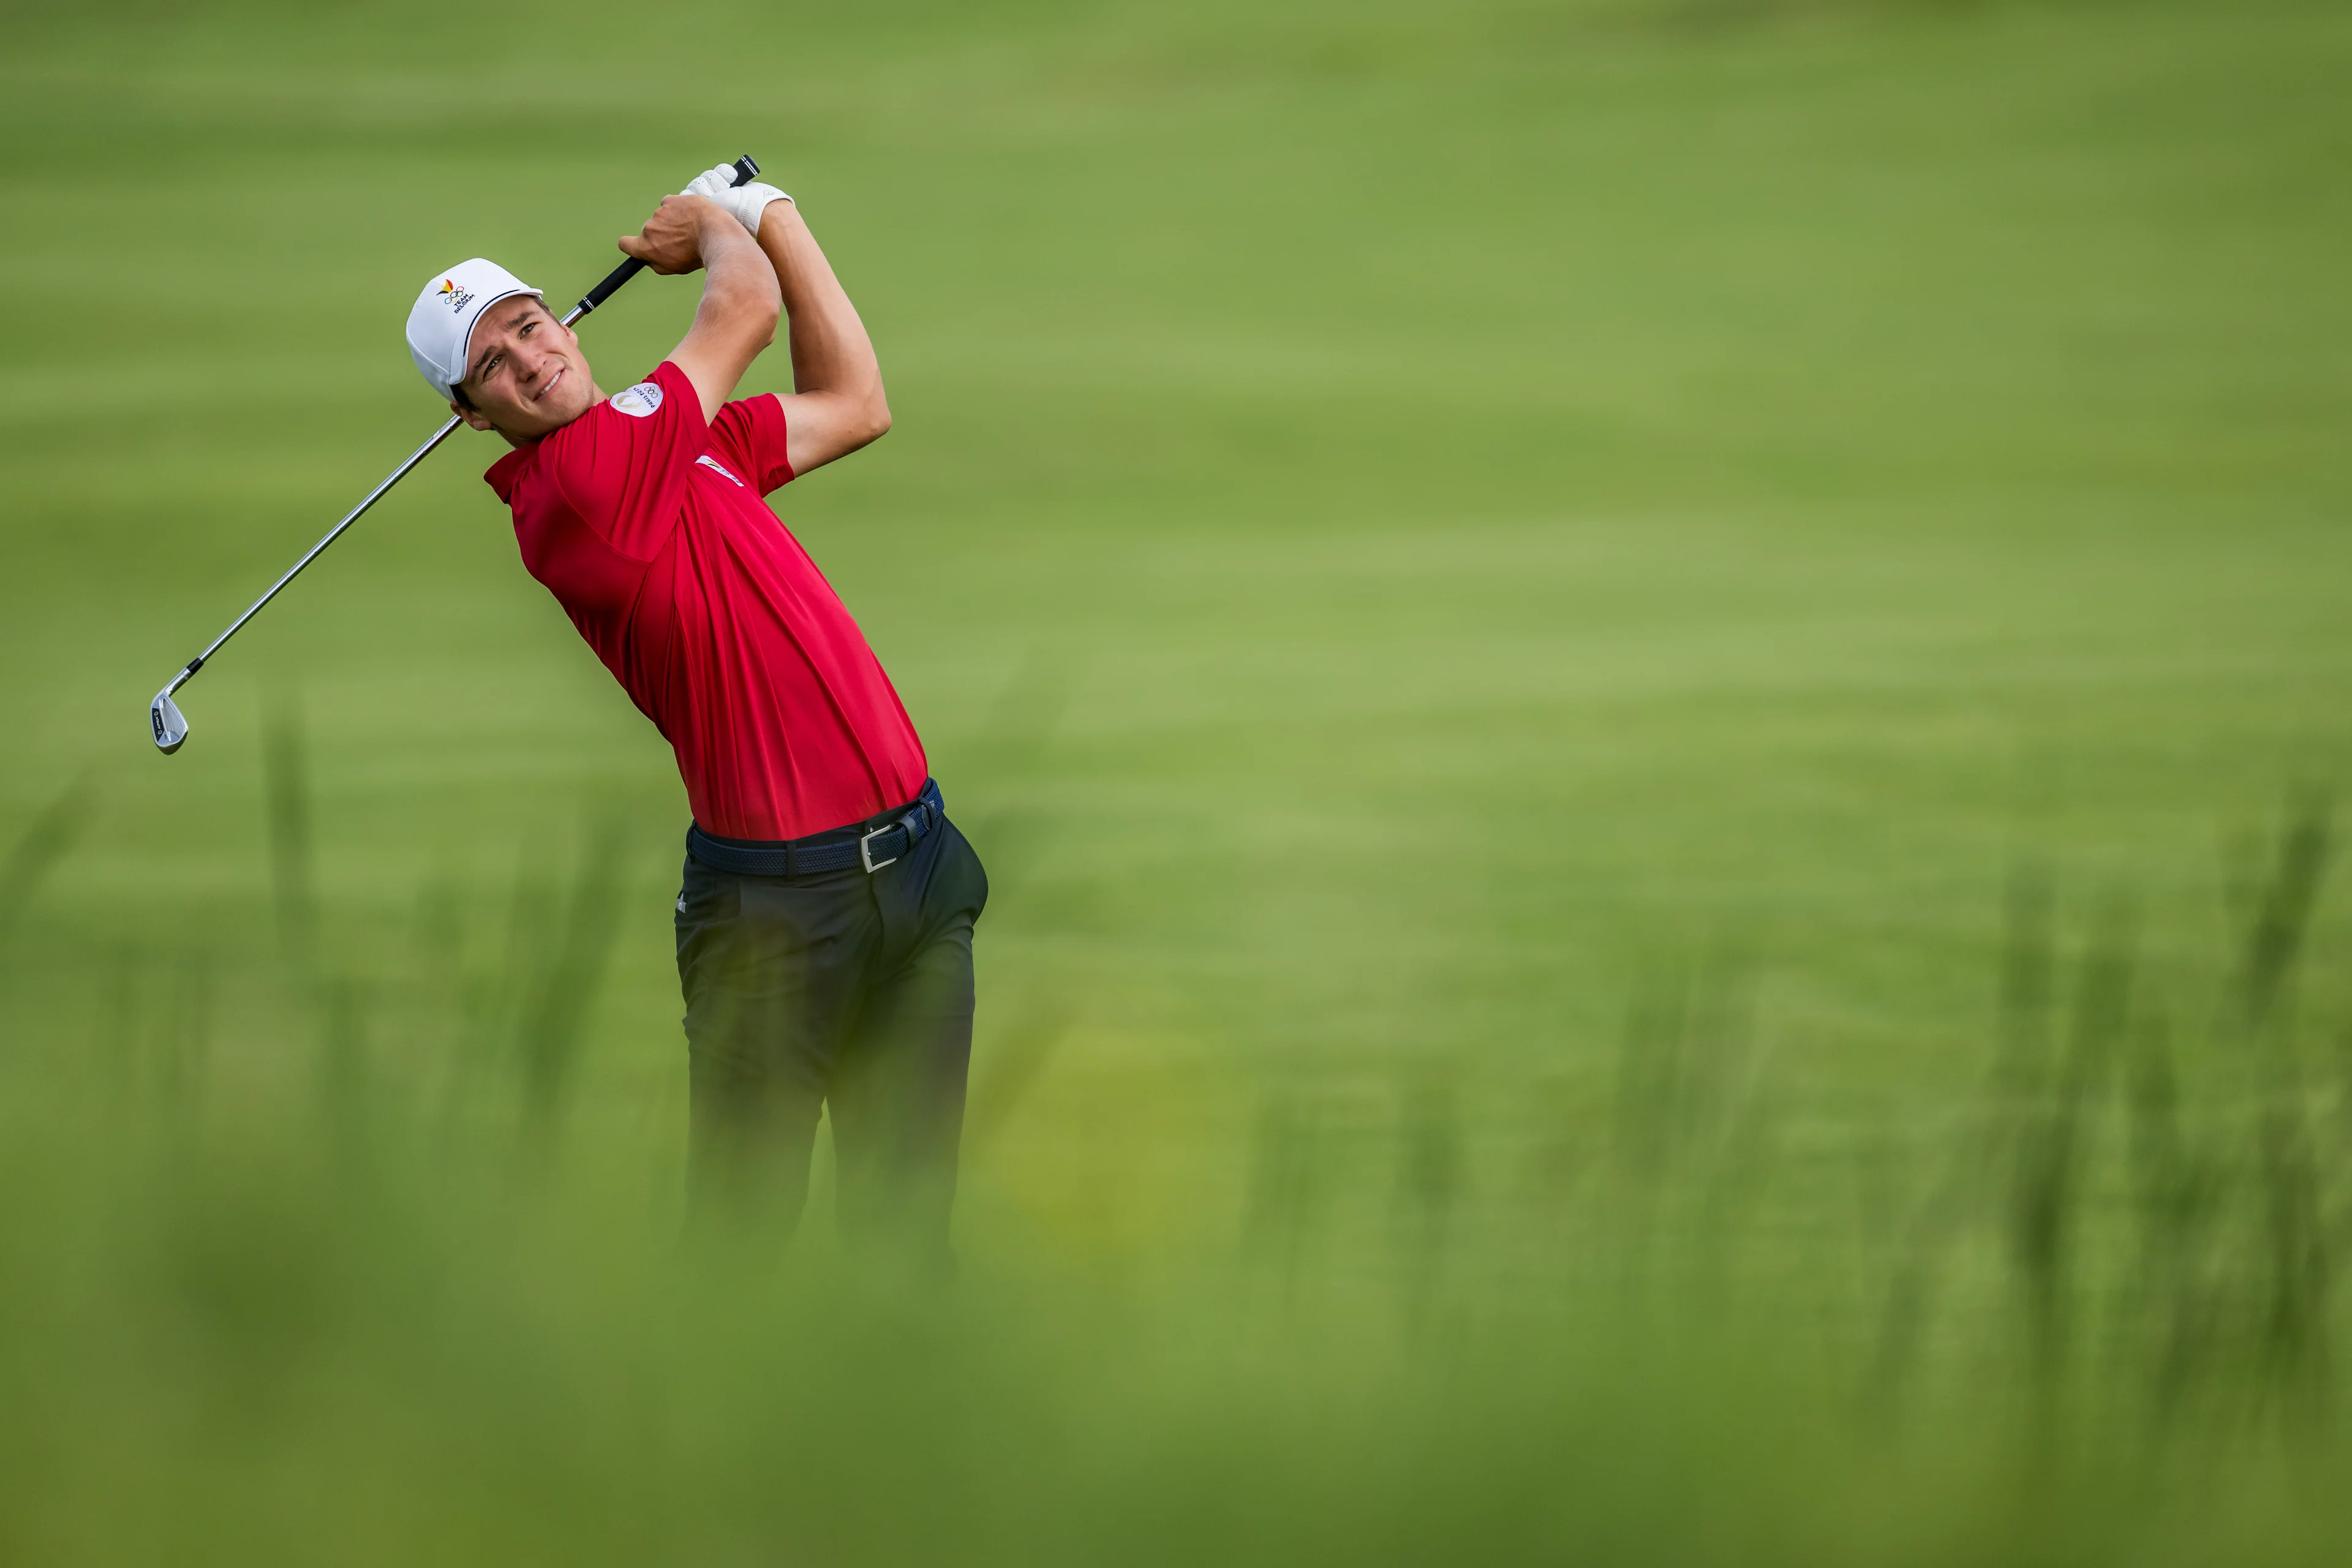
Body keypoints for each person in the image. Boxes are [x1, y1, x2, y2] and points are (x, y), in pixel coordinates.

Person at [403, 165, 986, 1273]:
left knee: (908, 1254)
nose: (531, 359)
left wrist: (778, 216)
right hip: (775, 918)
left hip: (915, 880)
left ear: (563, 320)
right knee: (737, 1263)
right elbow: (744, 310)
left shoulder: (681, 441)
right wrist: (717, 225)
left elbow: (857, 400)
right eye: (493, 366)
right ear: (474, 416)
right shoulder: (578, 486)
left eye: (529, 326)